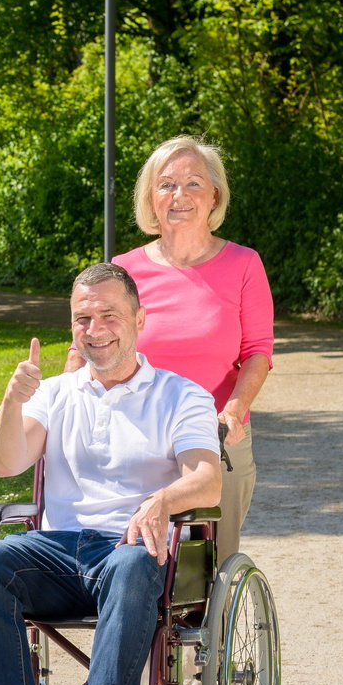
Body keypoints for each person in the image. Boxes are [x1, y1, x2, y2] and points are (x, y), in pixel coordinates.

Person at [0, 263, 222, 685]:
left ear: (140, 320)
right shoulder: (55, 392)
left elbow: (207, 480)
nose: (95, 329)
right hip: (56, 552)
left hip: (130, 552)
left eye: (108, 315)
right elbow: (5, 462)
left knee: (132, 561)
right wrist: (12, 400)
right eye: (82, 318)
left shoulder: (180, 395)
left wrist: (160, 500)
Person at [68, 136, 273, 562]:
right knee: (132, 558)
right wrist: (59, 404)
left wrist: (234, 410)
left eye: (193, 183)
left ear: (214, 194)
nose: (179, 196)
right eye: (166, 185)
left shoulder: (243, 264)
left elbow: (257, 352)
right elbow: (87, 345)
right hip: (135, 431)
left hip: (214, 433)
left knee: (205, 569)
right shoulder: (125, 269)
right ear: (150, 197)